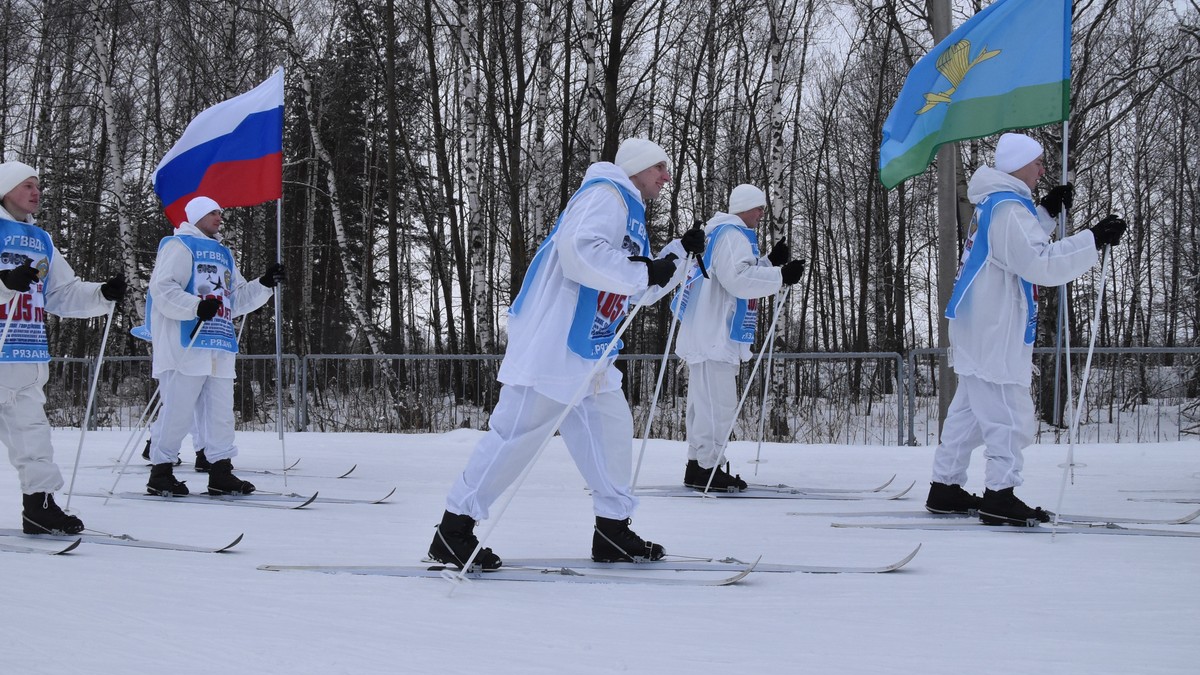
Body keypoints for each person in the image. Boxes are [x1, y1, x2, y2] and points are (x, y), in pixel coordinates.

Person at [428, 138, 704, 569]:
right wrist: (643, 269)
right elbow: (580, 253)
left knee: (612, 432)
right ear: (636, 167)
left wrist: (678, 254)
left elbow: (643, 289)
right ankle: (453, 529)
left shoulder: (628, 211)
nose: (666, 177)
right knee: (514, 437)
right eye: (659, 168)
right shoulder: (605, 195)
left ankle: (612, 531)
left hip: (591, 354)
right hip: (554, 348)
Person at [925, 133, 1127, 525]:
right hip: (993, 330)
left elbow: (1019, 245)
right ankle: (999, 495)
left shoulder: (998, 205)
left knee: (968, 415)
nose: (1042, 170)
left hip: (978, 326)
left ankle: (945, 487)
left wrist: (1048, 212)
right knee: (1010, 414)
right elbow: (1037, 262)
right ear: (1019, 164)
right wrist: (1092, 240)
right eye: (1037, 163)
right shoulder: (1007, 210)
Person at [0, 161, 125, 533]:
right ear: (5, 189)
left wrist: (101, 293)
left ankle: (38, 508)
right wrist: (5, 281)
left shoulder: (42, 240)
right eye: (27, 185)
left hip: (25, 354)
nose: (36, 192)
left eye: (38, 185)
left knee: (34, 436)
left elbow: (62, 292)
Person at [145, 196, 283, 497]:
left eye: (220, 211)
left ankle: (221, 470)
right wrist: (195, 306)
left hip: (219, 343)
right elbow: (162, 288)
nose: (220, 217)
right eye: (212, 212)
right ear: (195, 216)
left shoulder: (223, 253)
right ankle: (161, 472)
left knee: (220, 411)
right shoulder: (179, 246)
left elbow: (237, 297)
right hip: (187, 342)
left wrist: (264, 283)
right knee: (178, 410)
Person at [673, 184, 805, 491]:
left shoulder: (720, 234)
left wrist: (771, 262)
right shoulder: (732, 235)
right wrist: (780, 276)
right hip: (715, 335)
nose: (761, 213)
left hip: (708, 333)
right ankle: (708, 468)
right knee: (718, 405)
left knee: (703, 405)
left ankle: (698, 464)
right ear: (744, 206)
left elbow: (734, 272)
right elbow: (739, 280)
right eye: (758, 207)